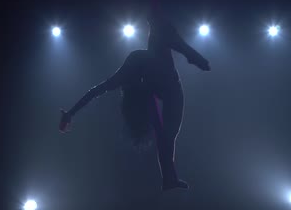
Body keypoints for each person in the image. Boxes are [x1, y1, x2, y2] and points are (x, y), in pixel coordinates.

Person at [59, 15, 210, 190]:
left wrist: (71, 113)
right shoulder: (143, 89)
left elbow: (96, 91)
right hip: (169, 90)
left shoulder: (132, 70)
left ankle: (169, 179)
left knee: (166, 136)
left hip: (165, 83)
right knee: (166, 136)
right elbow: (97, 91)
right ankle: (169, 179)